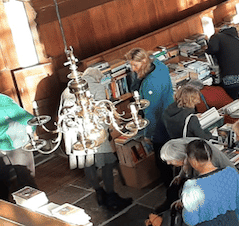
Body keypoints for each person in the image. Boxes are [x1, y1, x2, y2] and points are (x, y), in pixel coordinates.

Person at [59, 66, 132, 211]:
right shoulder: (97, 87)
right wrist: (109, 130)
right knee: (107, 163)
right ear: (97, 77)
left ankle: (99, 192)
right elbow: (102, 113)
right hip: (94, 133)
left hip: (76, 135)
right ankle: (111, 195)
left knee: (88, 163)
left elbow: (62, 115)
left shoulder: (67, 90)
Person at [0, 92, 36, 201]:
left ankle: (32, 205)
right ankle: (2, 203)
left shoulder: (3, 104)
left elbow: (30, 119)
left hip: (17, 144)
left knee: (26, 179)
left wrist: (29, 136)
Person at [158, 136, 230, 214]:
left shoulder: (200, 160)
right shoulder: (188, 151)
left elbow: (203, 186)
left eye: (171, 160)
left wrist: (184, 201)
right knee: (174, 186)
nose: (168, 163)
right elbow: (185, 166)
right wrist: (180, 176)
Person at [126, 48, 173, 138]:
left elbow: (151, 111)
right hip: (169, 113)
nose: (133, 69)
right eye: (131, 65)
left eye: (135, 65)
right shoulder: (158, 64)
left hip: (160, 124)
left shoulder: (150, 83)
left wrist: (148, 135)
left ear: (143, 61)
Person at [206, 24, 239, 98]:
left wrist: (206, 50)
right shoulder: (236, 38)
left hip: (231, 76)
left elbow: (213, 49)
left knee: (234, 100)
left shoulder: (216, 37)